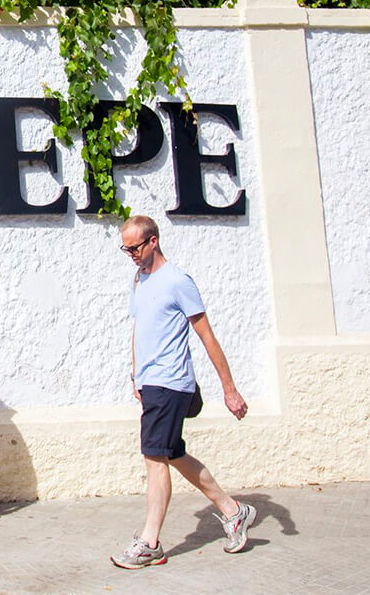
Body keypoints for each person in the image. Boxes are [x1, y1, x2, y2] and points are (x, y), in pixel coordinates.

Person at [111, 216, 255, 569]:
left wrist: (230, 390)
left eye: (134, 247)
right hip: (151, 382)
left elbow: (206, 335)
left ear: (153, 241)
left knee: (154, 458)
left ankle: (150, 543)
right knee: (172, 453)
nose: (130, 254)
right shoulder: (139, 279)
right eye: (125, 249)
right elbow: (140, 328)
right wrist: (136, 375)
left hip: (171, 381)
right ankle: (233, 511)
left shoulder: (178, 281)